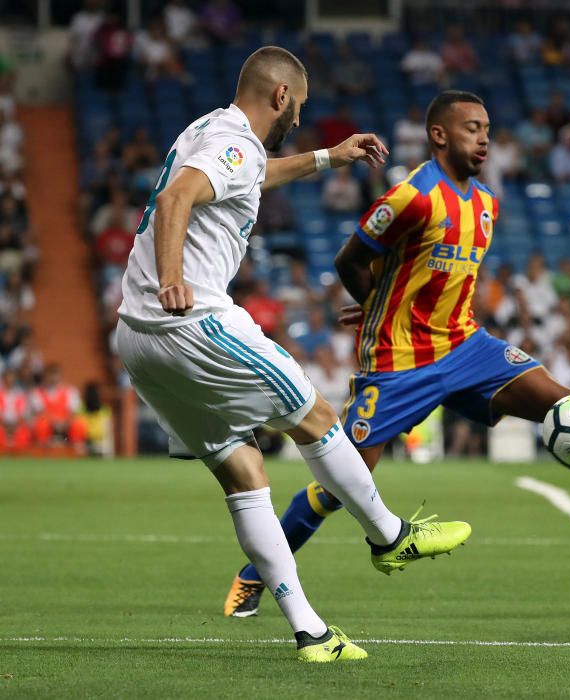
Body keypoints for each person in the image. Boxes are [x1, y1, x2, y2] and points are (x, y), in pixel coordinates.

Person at [225, 90, 570, 617]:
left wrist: (399, 295)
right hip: (401, 363)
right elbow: (350, 260)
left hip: (468, 347)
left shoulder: (486, 204)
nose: (484, 137)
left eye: (487, 127)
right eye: (472, 127)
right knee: (339, 485)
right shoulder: (411, 196)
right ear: (439, 135)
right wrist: (379, 304)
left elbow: (437, 277)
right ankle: (254, 574)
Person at [116, 47, 471, 663]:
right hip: (193, 319)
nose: (299, 120)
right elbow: (178, 200)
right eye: (298, 108)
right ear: (280, 97)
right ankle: (389, 536)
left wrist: (329, 158)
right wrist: (173, 276)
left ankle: (309, 631)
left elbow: (250, 174)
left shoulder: (209, 129)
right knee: (318, 419)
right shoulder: (233, 140)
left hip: (138, 339)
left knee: (245, 473)